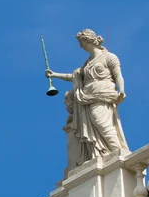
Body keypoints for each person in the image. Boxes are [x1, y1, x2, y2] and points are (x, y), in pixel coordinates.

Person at [46, 28, 130, 167]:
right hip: (87, 96)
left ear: (88, 40)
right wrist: (54, 74)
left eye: (81, 42)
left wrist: (121, 90)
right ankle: (105, 152)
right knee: (94, 124)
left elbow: (118, 75)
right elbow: (73, 77)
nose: (80, 46)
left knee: (101, 122)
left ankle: (117, 150)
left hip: (102, 93)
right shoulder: (86, 64)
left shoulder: (109, 57)